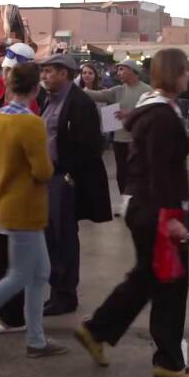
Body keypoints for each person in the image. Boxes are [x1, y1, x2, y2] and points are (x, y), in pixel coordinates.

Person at [74, 48, 189, 377]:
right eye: (185, 70)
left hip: (147, 207)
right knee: (170, 282)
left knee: (150, 278)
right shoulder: (162, 115)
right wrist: (172, 217)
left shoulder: (153, 107)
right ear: (174, 74)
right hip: (158, 210)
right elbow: (161, 170)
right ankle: (169, 361)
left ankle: (99, 330)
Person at [0, 62, 69, 359]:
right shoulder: (33, 123)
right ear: (35, 88)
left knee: (38, 273)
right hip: (27, 206)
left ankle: (36, 339)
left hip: (5, 200)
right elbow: (44, 171)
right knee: (20, 275)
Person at [38, 53, 113, 316]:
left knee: (64, 238)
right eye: (43, 71)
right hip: (47, 179)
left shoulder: (80, 103)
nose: (45, 75)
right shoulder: (46, 100)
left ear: (65, 74)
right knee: (51, 239)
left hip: (64, 179)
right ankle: (56, 291)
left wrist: (69, 173)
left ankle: (66, 295)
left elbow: (92, 145)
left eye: (50, 71)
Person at [84, 59, 150, 198]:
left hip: (138, 139)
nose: (118, 73)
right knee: (122, 172)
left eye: (122, 69)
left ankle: (139, 198)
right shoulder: (119, 90)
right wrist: (84, 90)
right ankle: (125, 200)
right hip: (120, 139)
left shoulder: (146, 90)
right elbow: (100, 95)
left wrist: (130, 114)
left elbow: (151, 113)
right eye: (118, 69)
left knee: (138, 170)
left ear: (132, 71)